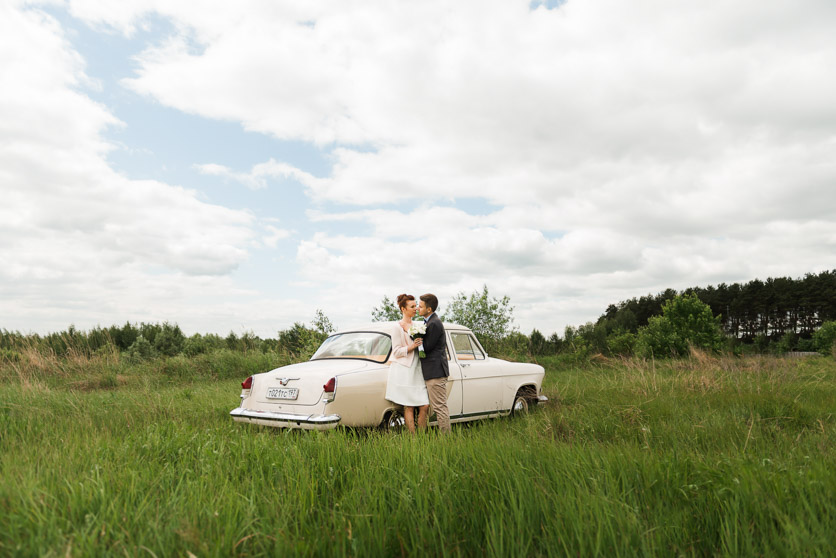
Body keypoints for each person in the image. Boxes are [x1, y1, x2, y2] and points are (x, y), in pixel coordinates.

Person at [385, 293, 429, 433]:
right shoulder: (396, 327)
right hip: (404, 370)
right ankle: (414, 439)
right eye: (412, 306)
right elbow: (397, 351)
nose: (415, 308)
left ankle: (422, 436)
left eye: (416, 305)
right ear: (403, 309)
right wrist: (412, 346)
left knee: (425, 405)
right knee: (408, 406)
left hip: (418, 369)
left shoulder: (418, 325)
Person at [417, 293, 450, 433]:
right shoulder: (429, 322)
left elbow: (428, 347)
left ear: (429, 309)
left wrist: (417, 340)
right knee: (438, 406)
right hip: (431, 371)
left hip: (435, 372)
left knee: (439, 407)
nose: (418, 308)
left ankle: (445, 439)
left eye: (420, 306)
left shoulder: (434, 323)